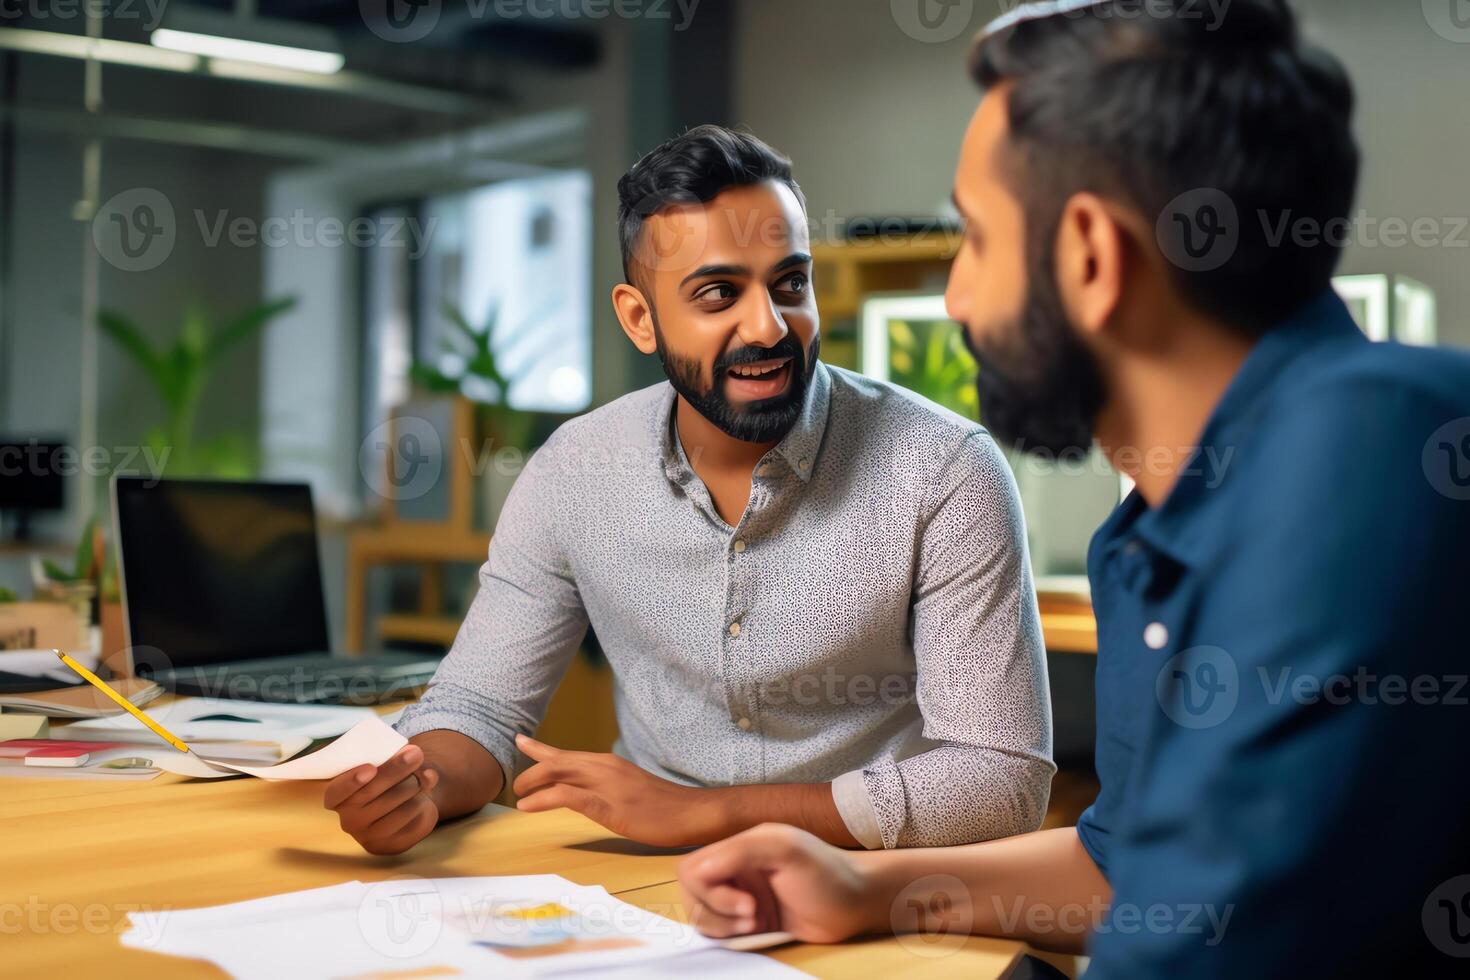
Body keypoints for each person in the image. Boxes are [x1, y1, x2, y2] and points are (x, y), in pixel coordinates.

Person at [676, 2, 1470, 975]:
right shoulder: (1152, 536)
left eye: (976, 239)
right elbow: (1136, 871)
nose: (958, 296)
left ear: (1091, 255)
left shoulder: (1365, 449)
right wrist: (872, 886)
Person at [323, 125, 1055, 856]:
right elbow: (478, 707)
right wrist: (421, 788)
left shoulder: (944, 469)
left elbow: (1001, 781)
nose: (768, 326)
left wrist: (711, 814)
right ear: (640, 319)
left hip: (876, 892)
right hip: (652, 892)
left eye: (790, 284)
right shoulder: (575, 471)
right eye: (718, 294)